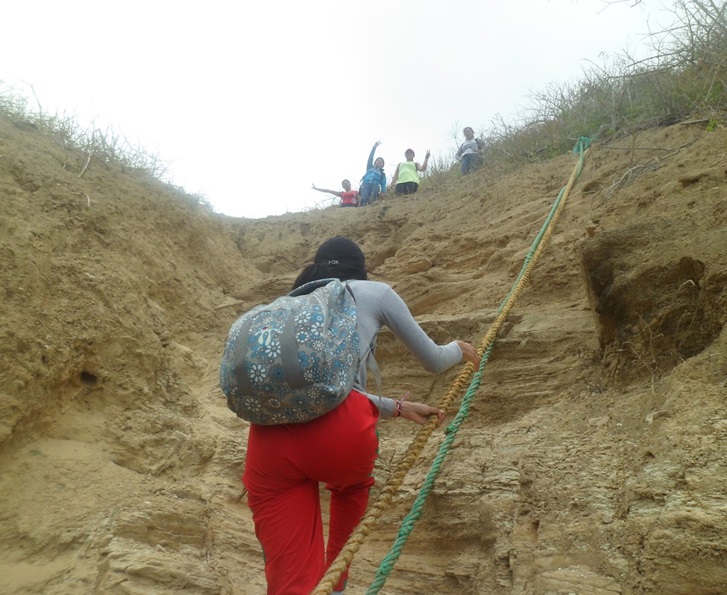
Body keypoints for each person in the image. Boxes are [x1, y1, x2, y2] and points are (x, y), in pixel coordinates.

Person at [242, 236, 481, 595]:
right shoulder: (375, 293)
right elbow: (432, 360)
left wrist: (397, 407)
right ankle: (336, 586)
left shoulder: (291, 303)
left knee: (290, 583)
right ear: (362, 269)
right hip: (342, 436)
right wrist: (457, 349)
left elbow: (315, 393)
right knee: (349, 489)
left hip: (268, 442)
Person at [359, 141, 386, 206]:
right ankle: (363, 209)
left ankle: (371, 210)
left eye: (381, 162)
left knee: (372, 199)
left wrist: (383, 191)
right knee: (364, 199)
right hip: (365, 184)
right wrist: (374, 147)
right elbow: (370, 158)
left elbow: (383, 183)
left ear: (383, 165)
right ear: (375, 162)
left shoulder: (382, 173)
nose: (379, 162)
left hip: (375, 185)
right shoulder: (370, 167)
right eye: (378, 161)